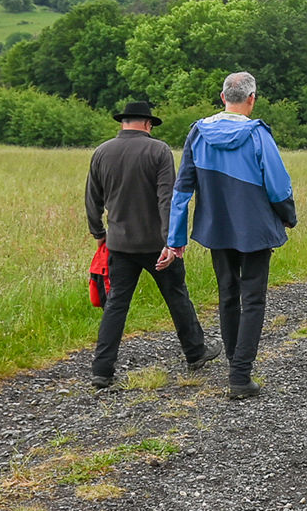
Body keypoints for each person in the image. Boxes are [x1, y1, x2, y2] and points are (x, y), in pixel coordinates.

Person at [162, 72, 296, 401]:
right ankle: (240, 375)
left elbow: (182, 190)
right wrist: (289, 216)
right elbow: (277, 185)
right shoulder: (257, 133)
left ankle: (236, 367)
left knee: (228, 296)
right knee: (253, 299)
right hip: (254, 227)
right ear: (251, 99)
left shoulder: (198, 132)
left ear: (223, 98)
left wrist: (175, 238)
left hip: (216, 227)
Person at [85, 101, 221, 390]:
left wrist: (99, 233)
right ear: (147, 124)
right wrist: (171, 242)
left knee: (116, 305)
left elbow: (92, 199)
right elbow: (166, 200)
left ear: (123, 122)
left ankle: (102, 370)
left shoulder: (101, 152)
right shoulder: (158, 150)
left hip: (119, 244)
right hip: (156, 245)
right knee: (177, 296)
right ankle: (196, 353)